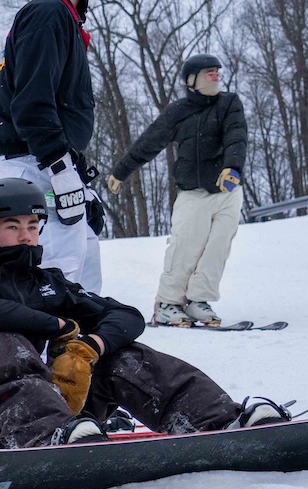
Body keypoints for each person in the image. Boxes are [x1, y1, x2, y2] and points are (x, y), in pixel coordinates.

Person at [0, 178, 287, 454]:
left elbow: (125, 316)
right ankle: (49, 437)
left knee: (120, 353)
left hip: (48, 415)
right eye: (13, 227)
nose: (26, 236)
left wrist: (93, 344)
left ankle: (217, 421)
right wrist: (56, 325)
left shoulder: (48, 284)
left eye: (33, 226)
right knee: (0, 343)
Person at [106, 54, 247, 328]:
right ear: (191, 80)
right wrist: (120, 171)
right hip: (193, 193)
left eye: (218, 71)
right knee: (185, 247)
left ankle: (198, 301)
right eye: (209, 72)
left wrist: (232, 167)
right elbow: (149, 142)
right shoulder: (178, 111)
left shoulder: (229, 103)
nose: (216, 75)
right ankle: (168, 304)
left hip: (227, 191)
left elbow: (236, 135)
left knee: (217, 249)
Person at [0, 0, 104, 292]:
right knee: (52, 283)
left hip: (43, 161)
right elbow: (31, 103)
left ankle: (80, 339)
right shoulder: (49, 12)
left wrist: (77, 172)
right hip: (33, 166)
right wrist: (60, 168)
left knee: (82, 288)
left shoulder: (62, 19)